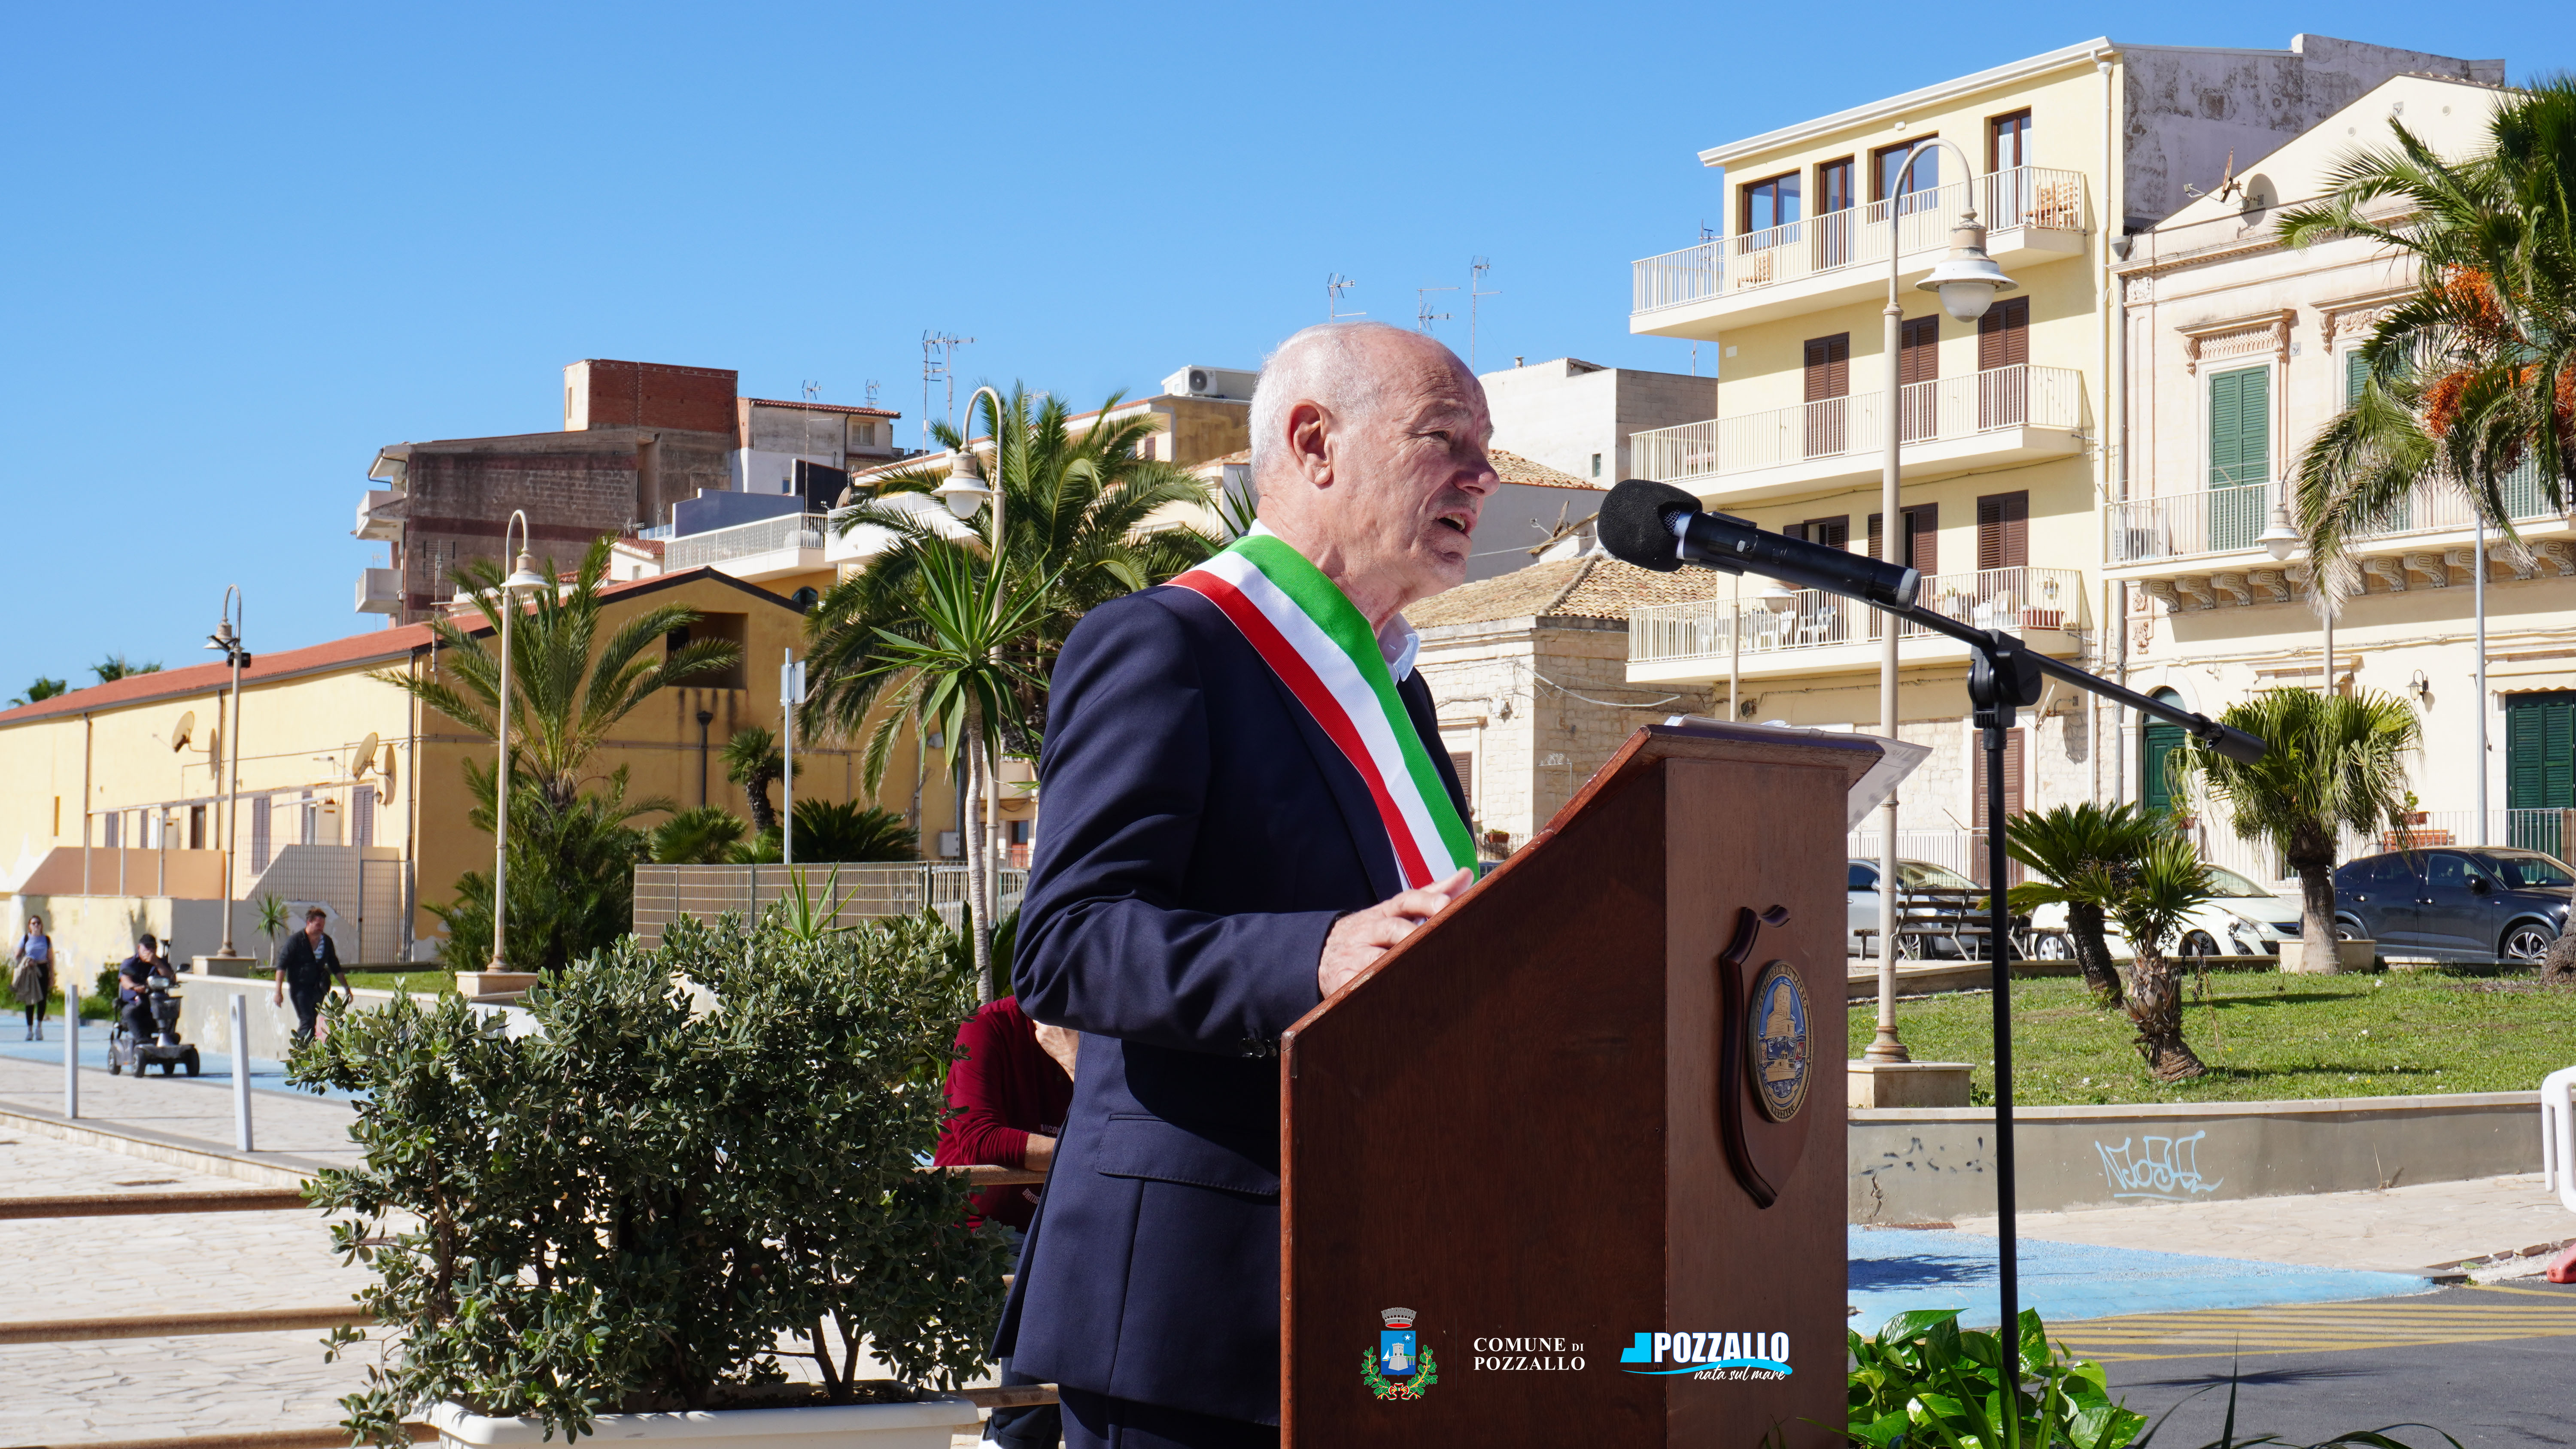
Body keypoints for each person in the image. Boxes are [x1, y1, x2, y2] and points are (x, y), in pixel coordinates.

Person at [1001, 322, 1492, 1448]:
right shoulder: (1165, 645)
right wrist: (1312, 955)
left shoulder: (1401, 697)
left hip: (1376, 1291)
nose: (1483, 476)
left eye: (1486, 448)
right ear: (1314, 442)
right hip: (1195, 1315)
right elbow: (1067, 944)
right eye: (1445, 438)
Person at [931, 996, 1076, 1448]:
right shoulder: (989, 1026)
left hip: (1061, 1224)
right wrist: (1087, 1149)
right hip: (975, 1224)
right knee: (1053, 1291)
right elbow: (980, 1139)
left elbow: (1135, 1130)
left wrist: (1076, 1062)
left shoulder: (1107, 1036)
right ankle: (1008, 1441)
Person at [272, 908, 351, 1043]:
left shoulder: (326, 942)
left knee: (311, 1022)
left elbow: (335, 966)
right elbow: (282, 966)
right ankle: (305, 1050)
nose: (321, 929)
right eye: (318, 925)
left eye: (323, 925)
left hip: (318, 989)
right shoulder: (296, 941)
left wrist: (347, 988)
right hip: (300, 989)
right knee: (307, 1020)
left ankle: (303, 1048)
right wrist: (278, 992)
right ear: (309, 923)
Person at [117, 934, 170, 1049]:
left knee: (171, 1009)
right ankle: (142, 1041)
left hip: (156, 1003)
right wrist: (135, 987)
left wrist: (157, 963)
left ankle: (168, 1038)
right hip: (135, 1003)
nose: (150, 950)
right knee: (130, 1012)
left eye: (153, 947)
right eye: (147, 947)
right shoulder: (130, 962)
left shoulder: (161, 963)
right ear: (139, 948)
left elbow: (171, 978)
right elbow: (125, 981)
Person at [12, 914, 55, 1041]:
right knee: (30, 1000)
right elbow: (17, 956)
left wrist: (52, 975)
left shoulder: (46, 939)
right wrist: (27, 960)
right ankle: (29, 1030)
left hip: (42, 970)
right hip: (30, 971)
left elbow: (51, 959)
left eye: (38, 923)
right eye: (34, 923)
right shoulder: (26, 938)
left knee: (42, 999)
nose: (36, 925)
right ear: (29, 926)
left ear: (42, 925)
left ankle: (39, 1028)